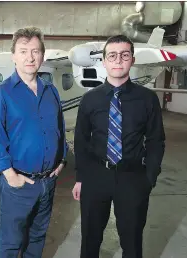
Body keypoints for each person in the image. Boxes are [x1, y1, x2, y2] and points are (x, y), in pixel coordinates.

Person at [71, 34, 165, 258]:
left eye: (124, 55)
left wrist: (149, 177)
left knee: (132, 243)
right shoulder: (90, 100)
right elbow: (81, 141)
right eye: (112, 55)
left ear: (132, 60)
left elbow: (156, 140)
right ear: (104, 61)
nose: (118, 60)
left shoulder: (147, 99)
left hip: (132, 178)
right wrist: (81, 178)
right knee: (90, 240)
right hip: (96, 177)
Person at [0, 26, 68, 258]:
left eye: (35, 51)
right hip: (19, 183)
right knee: (11, 241)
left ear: (42, 55)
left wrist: (62, 160)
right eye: (23, 51)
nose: (30, 57)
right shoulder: (2, 93)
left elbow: (60, 129)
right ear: (13, 56)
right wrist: (10, 176)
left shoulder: (51, 91)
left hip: (48, 181)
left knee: (38, 237)